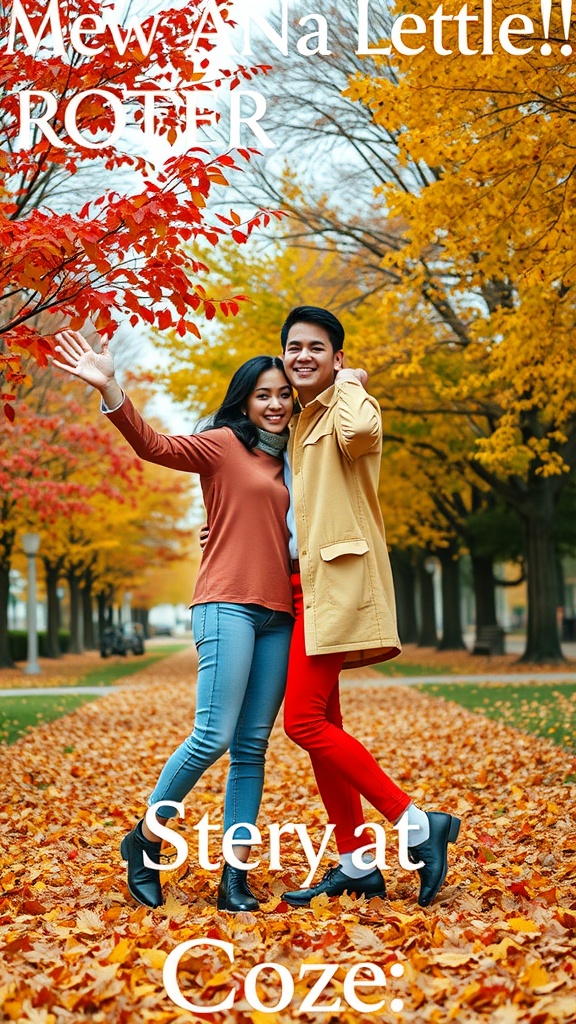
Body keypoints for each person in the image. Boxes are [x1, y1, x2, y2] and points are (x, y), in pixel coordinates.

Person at [52, 329, 295, 912]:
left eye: (284, 393)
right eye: (264, 394)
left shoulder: (296, 457)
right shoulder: (221, 445)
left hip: (280, 615)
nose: (276, 403)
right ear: (244, 401)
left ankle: (234, 877)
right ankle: (146, 840)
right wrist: (112, 387)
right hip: (226, 603)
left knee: (253, 747)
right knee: (212, 735)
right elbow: (154, 446)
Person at [276, 306, 460, 909]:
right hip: (298, 588)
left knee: (302, 722)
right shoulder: (294, 424)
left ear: (337, 358)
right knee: (326, 725)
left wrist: (352, 388)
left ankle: (415, 823)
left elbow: (359, 439)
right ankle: (357, 863)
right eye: (295, 347)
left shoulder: (350, 407)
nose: (304, 356)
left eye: (317, 348)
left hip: (338, 585)